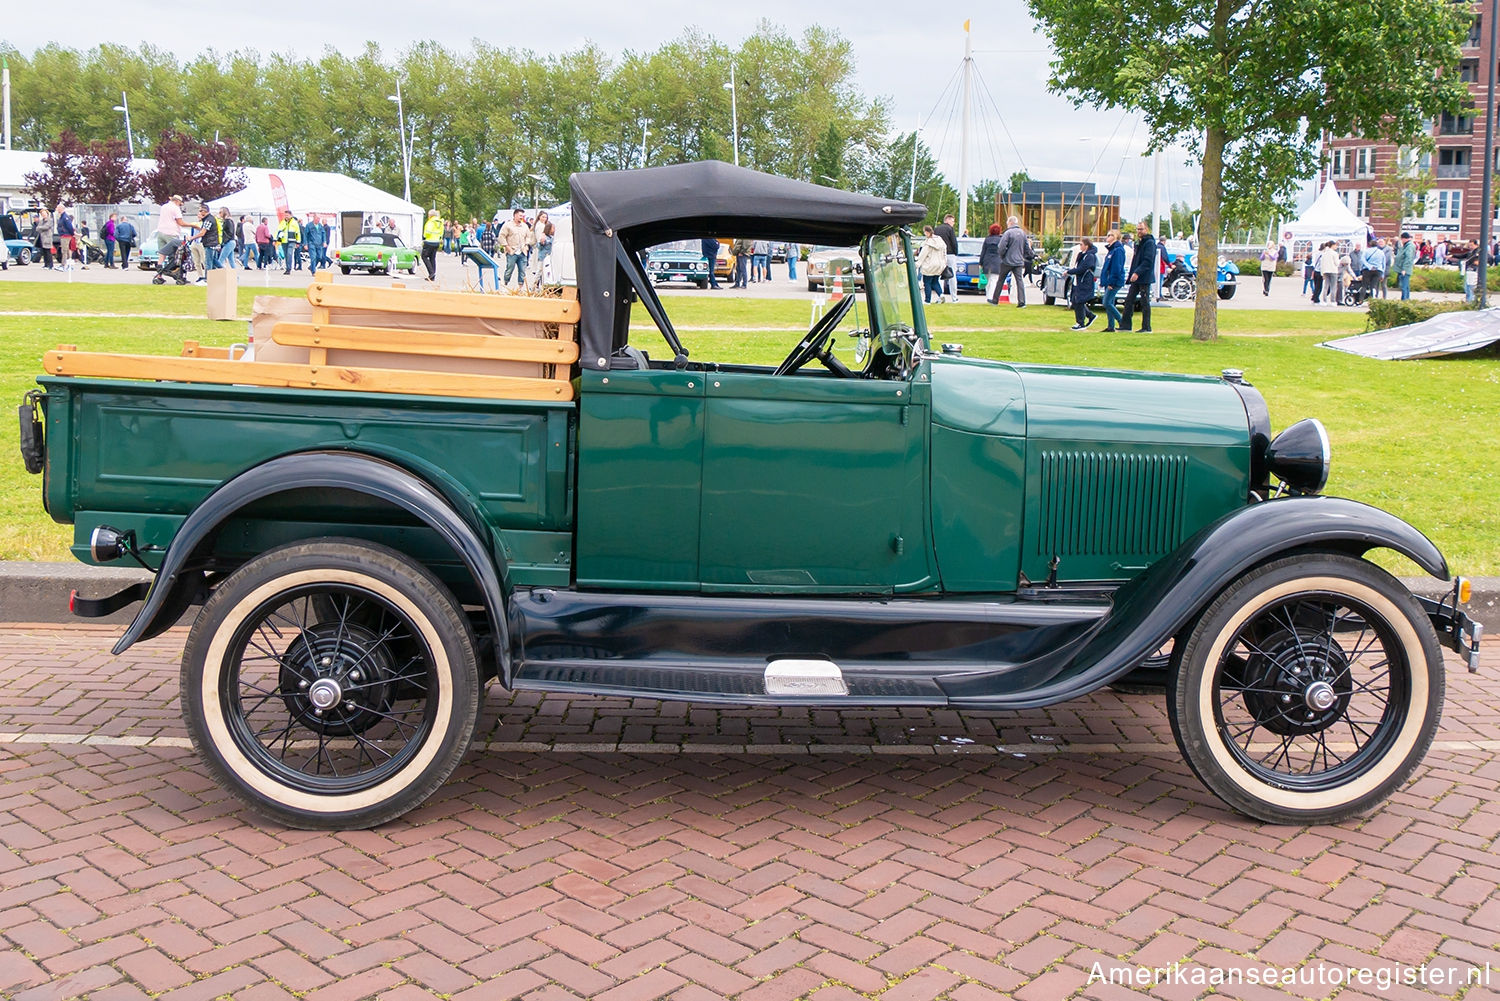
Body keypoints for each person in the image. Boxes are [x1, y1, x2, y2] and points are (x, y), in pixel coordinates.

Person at [1118, 221, 1156, 332]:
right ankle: (1125, 325)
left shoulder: (1149, 243)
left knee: (1144, 302)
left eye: (1141, 229)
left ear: (1146, 229)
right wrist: (1132, 274)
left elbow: (1148, 261)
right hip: (1136, 276)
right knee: (1129, 300)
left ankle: (1146, 327)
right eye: (1138, 229)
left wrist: (1137, 272)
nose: (1139, 231)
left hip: (1144, 277)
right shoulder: (1138, 243)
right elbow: (1136, 260)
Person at [994, 216, 1033, 307]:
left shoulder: (1008, 233)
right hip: (1019, 261)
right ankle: (1022, 302)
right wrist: (1029, 256)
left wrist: (1002, 256)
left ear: (1010, 223)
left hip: (1007, 261)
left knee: (1001, 280)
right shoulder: (1022, 233)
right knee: (1019, 281)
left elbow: (1001, 247)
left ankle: (995, 300)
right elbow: (1027, 248)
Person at [154, 194, 190, 278]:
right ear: (177, 201)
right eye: (180, 203)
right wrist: (193, 225)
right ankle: (173, 271)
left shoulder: (164, 207)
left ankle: (159, 275)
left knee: (162, 253)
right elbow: (180, 222)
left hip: (160, 231)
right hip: (171, 233)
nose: (180, 205)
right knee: (175, 254)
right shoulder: (175, 208)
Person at [1067, 237, 1098, 330]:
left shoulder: (1090, 256)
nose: (1080, 246)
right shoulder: (1081, 254)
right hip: (1077, 280)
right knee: (1075, 300)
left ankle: (1080, 322)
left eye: (1081, 244)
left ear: (1086, 246)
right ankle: (1090, 315)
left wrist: (1070, 272)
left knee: (1080, 301)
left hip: (1084, 281)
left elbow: (1082, 269)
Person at [1099, 229, 1126, 331]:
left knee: (1106, 302)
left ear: (1115, 237)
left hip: (1114, 281)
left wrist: (1111, 282)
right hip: (1109, 280)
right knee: (1110, 302)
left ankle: (1121, 321)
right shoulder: (1111, 250)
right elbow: (1106, 267)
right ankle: (1111, 326)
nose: (1108, 237)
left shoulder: (1118, 250)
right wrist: (1104, 281)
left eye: (1110, 235)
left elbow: (1116, 268)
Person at [499, 208, 531, 287]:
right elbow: (501, 236)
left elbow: (528, 236)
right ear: (515, 215)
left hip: (522, 251)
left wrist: (526, 245)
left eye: (522, 216)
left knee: (522, 270)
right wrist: (507, 246)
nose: (521, 217)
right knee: (510, 269)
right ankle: (505, 284)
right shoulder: (507, 225)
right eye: (520, 215)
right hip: (512, 251)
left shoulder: (525, 226)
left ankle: (520, 287)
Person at [916, 225, 947, 304]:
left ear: (927, 232)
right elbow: (944, 253)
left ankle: (927, 300)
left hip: (929, 265)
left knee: (927, 283)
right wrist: (944, 263)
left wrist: (917, 264)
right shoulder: (940, 241)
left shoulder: (928, 243)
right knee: (935, 281)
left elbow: (923, 255)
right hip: (939, 265)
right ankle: (941, 294)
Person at [933, 213, 959, 302]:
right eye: (952, 221)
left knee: (940, 275)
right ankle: (954, 297)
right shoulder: (950, 229)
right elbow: (953, 242)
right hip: (950, 253)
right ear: (947, 220)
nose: (953, 223)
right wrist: (956, 253)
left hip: (939, 254)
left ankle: (940, 295)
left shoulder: (936, 229)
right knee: (952, 276)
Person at [978, 223, 1004, 305]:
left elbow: (983, 251)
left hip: (987, 261)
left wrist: (980, 263)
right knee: (994, 280)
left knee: (987, 281)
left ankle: (988, 296)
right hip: (997, 262)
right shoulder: (1001, 239)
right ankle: (991, 297)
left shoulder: (987, 239)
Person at [532, 210, 554, 285]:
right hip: (542, 251)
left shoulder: (541, 225)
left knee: (541, 270)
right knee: (539, 270)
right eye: (543, 217)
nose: (544, 218)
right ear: (539, 217)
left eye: (546, 217)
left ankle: (537, 285)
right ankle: (534, 285)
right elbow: (539, 241)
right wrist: (542, 241)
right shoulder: (540, 226)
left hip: (544, 252)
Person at [421, 207, 442, 282]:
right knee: (432, 258)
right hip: (436, 242)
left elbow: (427, 232)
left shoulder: (430, 222)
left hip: (429, 241)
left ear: (430, 215)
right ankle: (433, 275)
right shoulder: (439, 222)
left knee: (424, 256)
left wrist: (425, 236)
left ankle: (431, 273)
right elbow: (441, 232)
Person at [1393, 232, 1416, 300]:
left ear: (1404, 238)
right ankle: (1406, 299)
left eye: (1401, 239)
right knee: (1405, 286)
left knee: (1404, 286)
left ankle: (1404, 300)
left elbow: (1408, 258)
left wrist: (1404, 269)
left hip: (1404, 270)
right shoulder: (1407, 245)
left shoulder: (1409, 246)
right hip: (1403, 268)